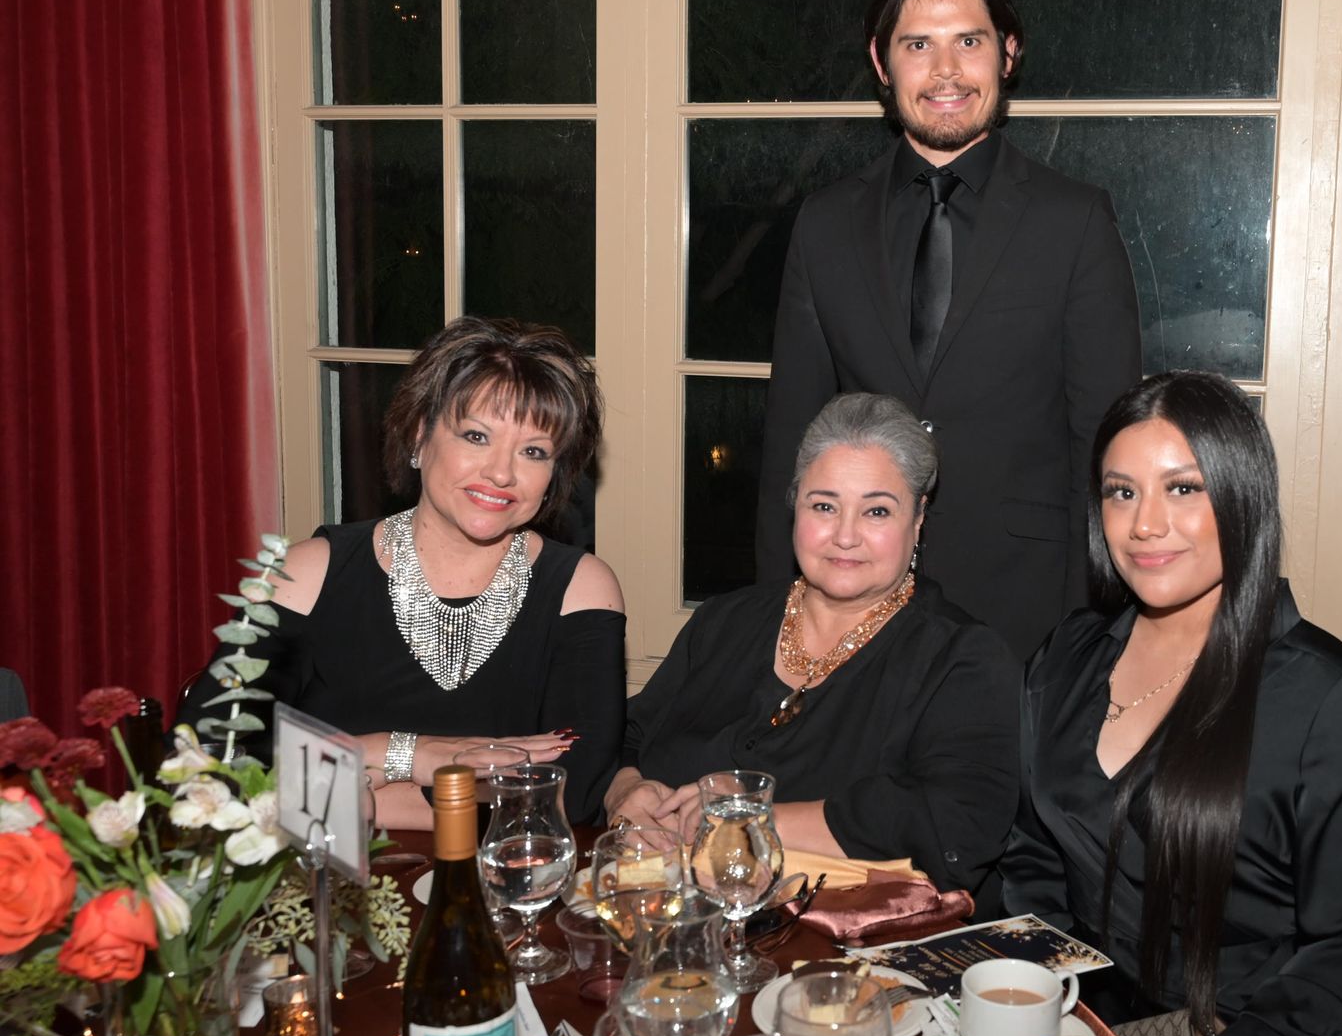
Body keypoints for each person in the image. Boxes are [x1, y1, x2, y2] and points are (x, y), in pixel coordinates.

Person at [1002, 372, 1342, 1036]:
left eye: (1184, 489)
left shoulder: (1334, 701)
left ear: (1242, 495)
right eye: (1122, 492)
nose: (1145, 524)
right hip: (1103, 1025)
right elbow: (1033, 858)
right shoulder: (1066, 658)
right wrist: (1038, 1015)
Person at [755, 0, 1142, 662]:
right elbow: (791, 443)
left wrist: (1086, 639)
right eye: (917, 45)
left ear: (1008, 53)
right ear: (881, 63)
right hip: (855, 605)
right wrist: (777, 625)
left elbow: (1106, 452)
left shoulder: (1075, 221)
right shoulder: (825, 223)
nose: (945, 72)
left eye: (968, 42)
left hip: (1025, 611)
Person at [177, 316, 626, 827]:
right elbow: (202, 764)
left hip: (501, 873)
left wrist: (354, 784)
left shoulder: (581, 588)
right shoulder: (306, 573)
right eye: (476, 436)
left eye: (533, 451)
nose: (502, 472)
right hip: (326, 872)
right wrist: (404, 753)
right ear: (419, 435)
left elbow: (572, 798)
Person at [612, 393, 1018, 895]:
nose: (844, 536)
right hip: (664, 912)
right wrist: (626, 791)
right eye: (824, 505)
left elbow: (959, 827)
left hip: (843, 935)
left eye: (876, 511)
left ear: (918, 520)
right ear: (795, 507)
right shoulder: (724, 622)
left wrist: (754, 818)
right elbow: (626, 736)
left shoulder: (962, 660)